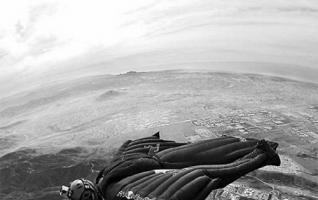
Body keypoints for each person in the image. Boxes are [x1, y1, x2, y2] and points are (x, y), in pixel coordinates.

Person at [60, 132, 281, 200]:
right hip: (160, 160)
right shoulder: (104, 177)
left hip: (165, 166)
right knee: (211, 153)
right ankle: (259, 151)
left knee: (213, 168)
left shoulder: (112, 191)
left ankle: (262, 154)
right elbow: (125, 152)